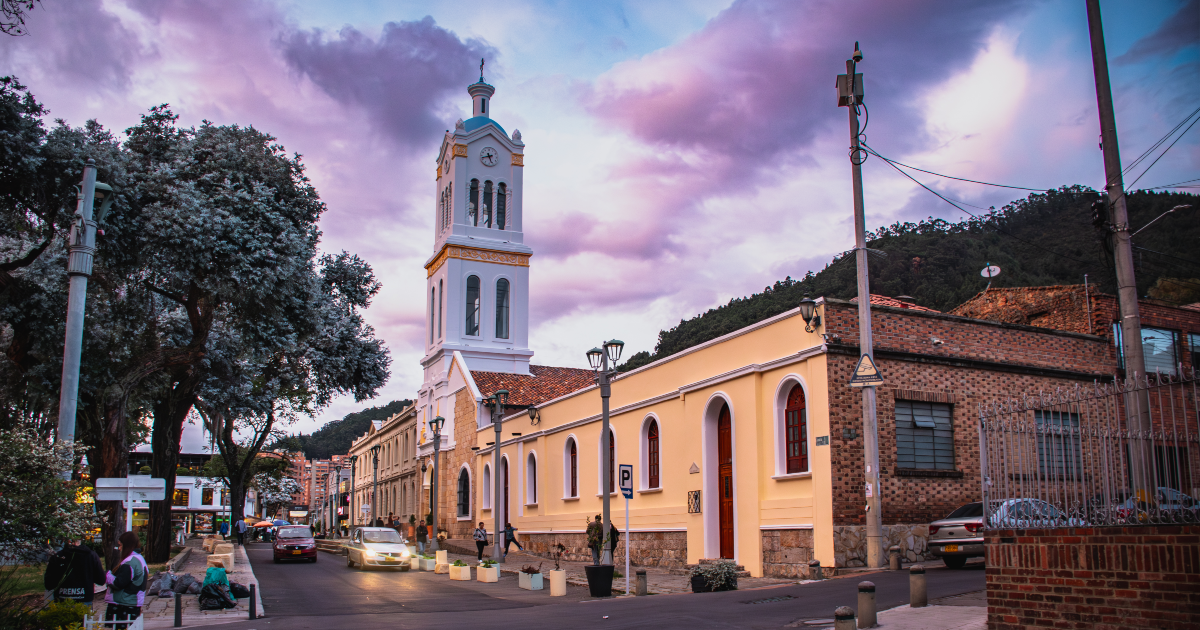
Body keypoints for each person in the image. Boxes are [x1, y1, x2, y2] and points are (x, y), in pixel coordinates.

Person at [104, 531, 147, 628]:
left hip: (123, 604)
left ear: (126, 545)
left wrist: (107, 575)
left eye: (120, 545)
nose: (119, 548)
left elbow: (119, 583)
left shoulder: (130, 562)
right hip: (132, 602)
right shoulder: (139, 558)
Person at [43, 538, 105, 603]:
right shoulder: (91, 556)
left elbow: (49, 584)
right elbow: (101, 580)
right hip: (84, 599)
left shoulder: (58, 557)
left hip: (62, 599)